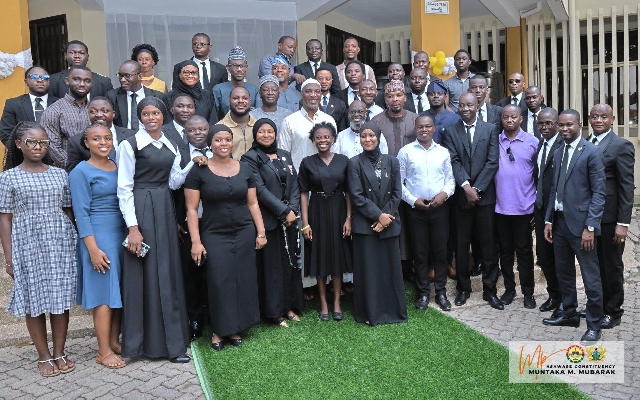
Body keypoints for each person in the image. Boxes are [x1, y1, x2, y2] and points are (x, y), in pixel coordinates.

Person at [0, 121, 77, 376]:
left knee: (60, 299)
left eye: (43, 142)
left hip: (59, 242)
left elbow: (67, 210)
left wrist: (75, 242)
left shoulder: (60, 174)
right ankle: (43, 355)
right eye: (31, 142)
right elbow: (5, 218)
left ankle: (60, 352)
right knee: (33, 300)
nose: (38, 147)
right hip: (27, 243)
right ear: (18, 144)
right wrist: (9, 258)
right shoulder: (8, 177)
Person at [117, 96, 190, 363]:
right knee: (144, 273)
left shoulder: (170, 142)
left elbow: (173, 182)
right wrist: (133, 228)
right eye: (146, 114)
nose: (151, 118)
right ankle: (140, 345)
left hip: (164, 206)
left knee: (166, 271)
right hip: (141, 209)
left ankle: (173, 344)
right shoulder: (130, 144)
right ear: (140, 117)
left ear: (163, 116)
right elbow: (124, 188)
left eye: (155, 113)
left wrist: (194, 162)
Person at [184, 124, 266, 351]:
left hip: (244, 232)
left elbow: (253, 203)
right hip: (214, 234)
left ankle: (236, 328)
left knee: (242, 279)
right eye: (218, 140)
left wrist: (261, 232)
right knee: (219, 281)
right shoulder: (199, 170)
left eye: (227, 140)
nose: (223, 144)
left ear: (233, 142)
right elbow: (191, 209)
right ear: (210, 143)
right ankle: (219, 330)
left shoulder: (245, 168)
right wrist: (196, 242)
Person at [542, 109, 606, 344]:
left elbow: (599, 193)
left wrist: (591, 226)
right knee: (564, 272)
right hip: (559, 223)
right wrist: (548, 220)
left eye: (569, 124)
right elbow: (554, 190)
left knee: (591, 277)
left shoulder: (592, 152)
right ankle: (569, 313)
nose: (564, 128)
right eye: (561, 125)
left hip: (582, 227)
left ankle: (594, 325)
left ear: (579, 125)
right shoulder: (559, 152)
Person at [69, 123, 126, 369]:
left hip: (120, 234)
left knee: (117, 292)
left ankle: (113, 342)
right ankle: (103, 351)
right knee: (104, 295)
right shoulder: (80, 172)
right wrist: (92, 249)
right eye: (96, 139)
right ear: (86, 143)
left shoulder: (117, 165)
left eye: (107, 138)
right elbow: (80, 214)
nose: (103, 143)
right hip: (98, 237)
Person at [441, 92, 502, 310]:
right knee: (461, 244)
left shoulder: (491, 129)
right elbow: (453, 161)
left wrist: (476, 190)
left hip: (485, 198)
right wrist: (466, 187)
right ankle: (463, 289)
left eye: (470, 105)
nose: (465, 109)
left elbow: (492, 162)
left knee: (488, 245)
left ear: (478, 106)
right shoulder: (450, 131)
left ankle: (490, 290)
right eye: (462, 105)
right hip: (461, 198)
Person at [242, 119, 303, 326]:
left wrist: (292, 209)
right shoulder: (249, 158)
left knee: (289, 264)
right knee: (272, 267)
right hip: (267, 220)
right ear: (255, 134)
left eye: (270, 131)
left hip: (289, 220)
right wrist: (283, 211)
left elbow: (295, 184)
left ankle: (290, 305)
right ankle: (275, 311)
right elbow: (259, 190)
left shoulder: (284, 154)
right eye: (261, 131)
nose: (266, 135)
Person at [347, 121, 407, 326]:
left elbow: (397, 193)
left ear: (379, 137)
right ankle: (370, 312)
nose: (367, 139)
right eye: (363, 136)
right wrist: (377, 216)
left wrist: (385, 218)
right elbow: (356, 196)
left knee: (390, 269)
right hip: (366, 226)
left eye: (371, 135)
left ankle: (393, 311)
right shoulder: (354, 163)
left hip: (389, 223)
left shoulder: (392, 161)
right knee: (369, 271)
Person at [398, 115, 455, 312]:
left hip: (440, 208)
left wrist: (444, 195)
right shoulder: (405, 152)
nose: (424, 130)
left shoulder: (443, 152)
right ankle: (423, 293)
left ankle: (441, 292)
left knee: (440, 252)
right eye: (420, 127)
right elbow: (399, 182)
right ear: (415, 129)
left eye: (428, 126)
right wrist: (413, 200)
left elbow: (450, 180)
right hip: (416, 210)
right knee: (420, 253)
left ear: (433, 129)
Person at [587, 104, 635, 329]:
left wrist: (623, 223)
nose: (599, 120)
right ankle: (597, 307)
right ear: (589, 119)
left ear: (612, 119)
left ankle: (613, 311)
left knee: (611, 265)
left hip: (610, 218)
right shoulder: (585, 142)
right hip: (590, 216)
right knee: (595, 265)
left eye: (603, 117)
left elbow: (626, 187)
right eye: (595, 116)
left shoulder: (621, 146)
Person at [298, 122, 352, 321]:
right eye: (318, 137)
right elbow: (304, 193)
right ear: (313, 140)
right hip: (317, 211)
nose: (323, 140)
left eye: (326, 137)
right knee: (319, 256)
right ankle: (323, 303)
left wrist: (349, 218)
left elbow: (349, 192)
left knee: (337, 256)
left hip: (338, 210)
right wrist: (305, 223)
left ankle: (337, 302)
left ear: (333, 139)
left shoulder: (344, 161)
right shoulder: (307, 162)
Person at [168, 115, 213, 341]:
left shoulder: (217, 150)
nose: (198, 133)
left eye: (202, 129)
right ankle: (194, 319)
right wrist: (192, 164)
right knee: (191, 271)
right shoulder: (180, 154)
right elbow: (173, 184)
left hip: (214, 222)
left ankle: (213, 316)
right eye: (192, 130)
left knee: (213, 270)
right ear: (185, 132)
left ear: (208, 130)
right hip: (187, 223)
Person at [494, 105, 539, 308]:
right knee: (505, 252)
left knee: (524, 252)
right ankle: (509, 289)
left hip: (524, 208)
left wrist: (537, 206)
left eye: (513, 117)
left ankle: (528, 292)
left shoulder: (532, 142)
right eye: (506, 117)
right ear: (501, 119)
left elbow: (539, 175)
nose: (509, 120)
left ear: (521, 119)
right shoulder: (495, 141)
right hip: (501, 207)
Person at [533, 107, 564, 315]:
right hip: (541, 208)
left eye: (548, 123)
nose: (544, 127)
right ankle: (553, 295)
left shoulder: (563, 145)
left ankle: (564, 300)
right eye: (540, 124)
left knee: (559, 256)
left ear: (557, 124)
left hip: (558, 211)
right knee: (543, 255)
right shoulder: (540, 144)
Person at [40, 65, 93, 168]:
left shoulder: (95, 109)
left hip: (96, 168)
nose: (82, 84)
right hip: (67, 170)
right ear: (67, 81)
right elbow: (52, 146)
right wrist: (75, 166)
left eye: (87, 81)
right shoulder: (54, 110)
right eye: (76, 79)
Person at [278, 79, 337, 171]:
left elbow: (334, 151)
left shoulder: (329, 120)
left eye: (317, 91)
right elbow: (283, 154)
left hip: (325, 175)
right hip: (299, 176)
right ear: (301, 94)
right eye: (308, 91)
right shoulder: (289, 121)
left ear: (321, 95)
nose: (313, 95)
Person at [67, 96, 136, 172]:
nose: (99, 115)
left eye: (104, 111)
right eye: (93, 111)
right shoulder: (76, 142)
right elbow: (73, 173)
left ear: (113, 114)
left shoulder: (132, 136)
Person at [0, 66, 58, 146]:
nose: (40, 80)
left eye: (44, 77)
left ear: (49, 81)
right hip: (23, 152)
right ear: (26, 81)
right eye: (34, 77)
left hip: (55, 152)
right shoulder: (13, 104)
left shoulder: (60, 103)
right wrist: (23, 150)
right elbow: (6, 133)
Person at [106, 60, 168, 131]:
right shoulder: (112, 96)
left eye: (127, 76)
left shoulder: (158, 97)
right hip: (123, 137)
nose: (122, 80)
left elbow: (166, 123)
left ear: (140, 76)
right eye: (120, 75)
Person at [48, 40, 113, 99]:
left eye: (81, 53)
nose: (77, 56)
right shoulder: (53, 80)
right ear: (65, 55)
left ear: (87, 56)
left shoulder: (104, 82)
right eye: (72, 53)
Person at [371, 81, 418, 158]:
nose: (395, 99)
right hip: (385, 164)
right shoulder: (376, 121)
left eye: (399, 95)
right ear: (385, 100)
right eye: (390, 96)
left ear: (405, 98)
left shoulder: (416, 120)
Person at [213, 46, 259, 121]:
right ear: (228, 67)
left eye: (242, 66)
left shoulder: (254, 90)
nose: (239, 69)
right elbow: (215, 117)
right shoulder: (218, 90)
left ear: (246, 67)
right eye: (235, 66)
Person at [168, 60, 218, 125]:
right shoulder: (170, 96)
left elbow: (213, 119)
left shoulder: (206, 95)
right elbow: (168, 121)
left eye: (194, 73)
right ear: (179, 75)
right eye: (186, 72)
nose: (190, 76)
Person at [219, 87, 258, 159]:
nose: (240, 101)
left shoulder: (259, 126)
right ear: (229, 101)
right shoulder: (219, 128)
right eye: (235, 98)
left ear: (250, 101)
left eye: (245, 98)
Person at [420, 80, 460, 145]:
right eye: (432, 94)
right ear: (427, 97)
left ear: (445, 97)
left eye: (440, 93)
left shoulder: (455, 119)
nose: (436, 96)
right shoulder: (420, 117)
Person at [316, 67, 348, 131]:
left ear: (331, 81)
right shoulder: (307, 102)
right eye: (320, 79)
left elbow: (342, 128)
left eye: (327, 79)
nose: (324, 81)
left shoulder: (340, 103)